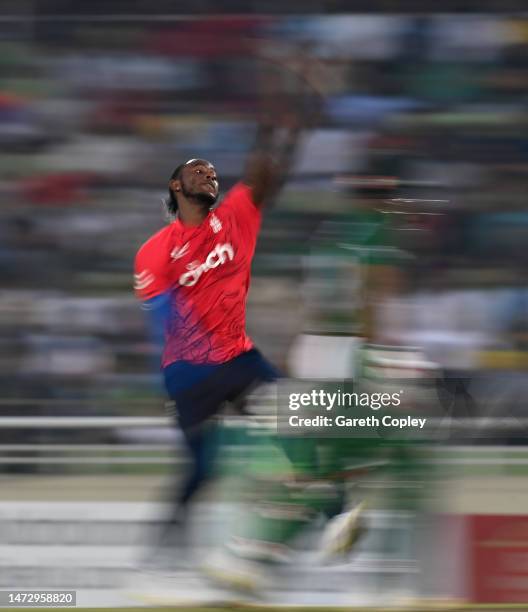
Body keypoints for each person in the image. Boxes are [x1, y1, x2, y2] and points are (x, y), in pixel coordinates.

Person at [134, 116, 300, 557]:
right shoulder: (155, 250)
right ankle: (165, 547)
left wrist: (278, 123)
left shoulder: (236, 218)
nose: (208, 174)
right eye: (197, 169)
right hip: (189, 371)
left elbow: (264, 175)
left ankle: (328, 517)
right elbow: (160, 319)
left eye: (213, 172)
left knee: (295, 423)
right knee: (204, 467)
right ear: (175, 186)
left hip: (237, 359)